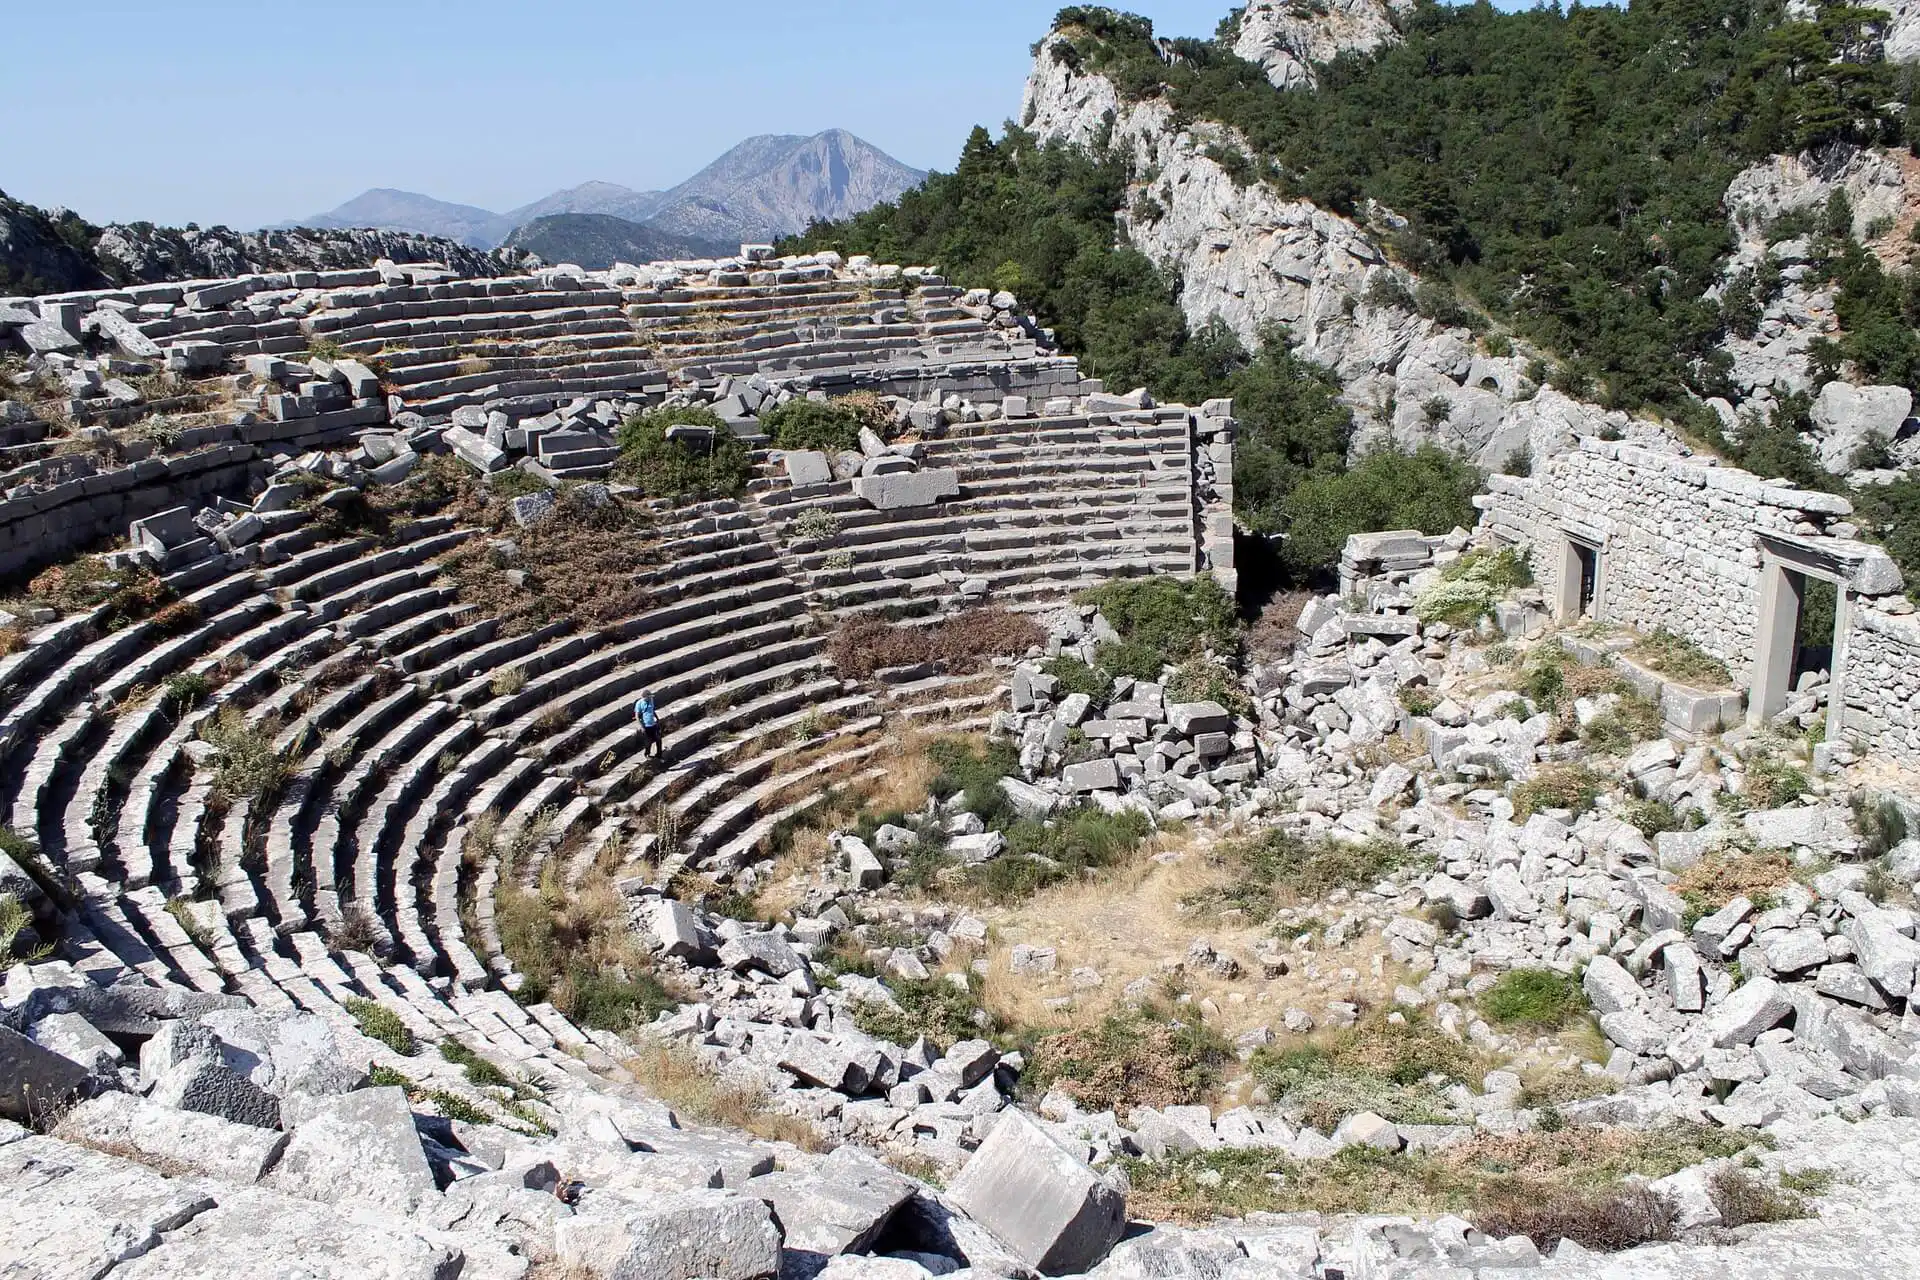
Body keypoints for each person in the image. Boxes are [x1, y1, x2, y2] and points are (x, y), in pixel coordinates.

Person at [635, 689, 662, 758]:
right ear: (644, 697)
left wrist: (657, 718)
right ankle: (647, 754)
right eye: (649, 697)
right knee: (649, 741)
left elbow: (652, 710)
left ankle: (659, 754)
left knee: (658, 739)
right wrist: (641, 726)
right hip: (646, 725)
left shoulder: (651, 700)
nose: (650, 698)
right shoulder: (639, 703)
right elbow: (637, 716)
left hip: (653, 723)